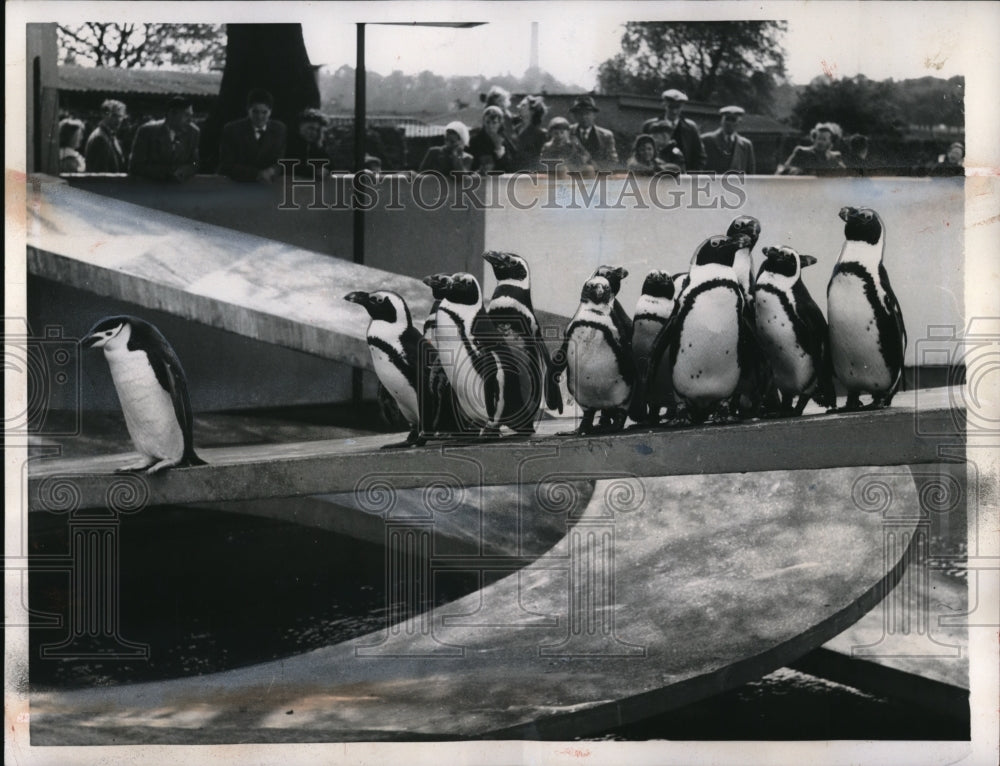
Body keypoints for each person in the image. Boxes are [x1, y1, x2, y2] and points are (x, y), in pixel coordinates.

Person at [219, 88, 288, 183]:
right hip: (238, 186)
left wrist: (272, 171)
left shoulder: (280, 129)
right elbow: (226, 165)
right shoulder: (232, 130)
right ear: (248, 110)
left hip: (269, 187)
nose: (260, 117)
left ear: (270, 111)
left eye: (264, 112)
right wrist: (257, 174)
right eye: (255, 112)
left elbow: (280, 161)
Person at [127, 97, 200, 182]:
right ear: (171, 114)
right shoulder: (148, 131)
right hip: (150, 188)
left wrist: (183, 171)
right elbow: (135, 166)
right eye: (186, 115)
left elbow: (194, 163)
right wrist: (167, 173)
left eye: (191, 116)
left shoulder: (193, 132)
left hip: (179, 189)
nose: (190, 120)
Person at [642, 89, 706, 172]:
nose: (674, 111)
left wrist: (692, 176)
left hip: (683, 177)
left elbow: (700, 156)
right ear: (664, 104)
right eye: (671, 107)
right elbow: (640, 151)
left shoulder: (690, 127)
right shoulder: (650, 125)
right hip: (656, 175)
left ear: (682, 106)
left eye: (677, 107)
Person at [569, 95, 619, 172]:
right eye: (580, 113)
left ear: (594, 115)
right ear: (575, 116)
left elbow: (612, 161)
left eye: (587, 113)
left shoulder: (606, 136)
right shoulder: (568, 132)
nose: (584, 117)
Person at [701, 105, 756, 174]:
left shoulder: (746, 145)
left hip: (737, 184)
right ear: (721, 121)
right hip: (713, 183)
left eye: (733, 120)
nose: (729, 123)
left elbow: (750, 173)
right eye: (727, 119)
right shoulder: (706, 140)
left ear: (739, 122)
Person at [776, 122, 846, 175]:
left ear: (831, 141)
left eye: (824, 139)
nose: (820, 142)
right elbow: (784, 170)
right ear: (814, 138)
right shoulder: (801, 151)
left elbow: (845, 175)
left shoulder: (835, 157)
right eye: (818, 138)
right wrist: (796, 170)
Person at [468, 105, 519, 174]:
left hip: (500, 179)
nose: (490, 126)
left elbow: (511, 164)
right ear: (483, 122)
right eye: (487, 122)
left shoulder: (504, 139)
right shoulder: (475, 139)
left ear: (500, 123)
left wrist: (499, 149)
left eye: (494, 123)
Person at [85, 99, 128, 173]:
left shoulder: (109, 135)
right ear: (104, 114)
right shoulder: (100, 138)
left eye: (121, 116)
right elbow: (100, 174)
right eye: (114, 115)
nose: (119, 120)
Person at [285, 108, 330, 176]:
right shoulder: (289, 144)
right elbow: (291, 168)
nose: (314, 133)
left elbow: (330, 165)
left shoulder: (316, 145)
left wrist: (325, 170)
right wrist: (315, 172)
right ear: (299, 126)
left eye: (317, 130)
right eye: (310, 128)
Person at [513, 95, 548, 172]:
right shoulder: (514, 130)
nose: (519, 107)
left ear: (532, 111)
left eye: (523, 106)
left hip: (530, 174)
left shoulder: (540, 134)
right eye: (520, 105)